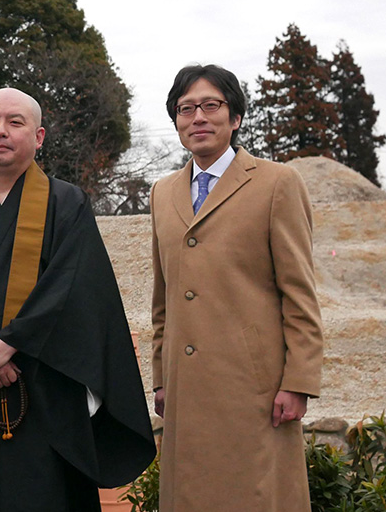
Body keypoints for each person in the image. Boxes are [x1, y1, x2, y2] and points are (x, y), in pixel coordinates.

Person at [0, 87, 156, 512]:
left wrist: (10, 342)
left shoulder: (68, 205)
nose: (0, 131)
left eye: (15, 122)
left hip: (46, 394)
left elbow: (75, 289)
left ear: (39, 137)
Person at [150, 64, 324, 512]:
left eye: (211, 105)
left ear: (236, 116)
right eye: (186, 109)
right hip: (185, 388)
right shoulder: (162, 193)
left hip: (255, 389)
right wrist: (161, 378)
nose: (198, 117)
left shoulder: (276, 183)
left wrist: (299, 381)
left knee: (257, 496)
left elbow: (299, 293)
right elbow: (163, 298)